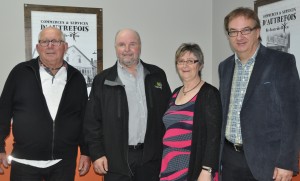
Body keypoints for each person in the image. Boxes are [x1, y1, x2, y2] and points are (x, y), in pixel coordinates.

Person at [218, 7, 300, 181]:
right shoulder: (224, 67)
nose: (239, 37)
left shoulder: (281, 62)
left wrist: (286, 161)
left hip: (267, 163)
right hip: (229, 158)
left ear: (258, 32)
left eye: (246, 30)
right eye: (233, 31)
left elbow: (292, 116)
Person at [0, 27, 91, 180]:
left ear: (65, 46)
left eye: (55, 41)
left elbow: (83, 119)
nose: (50, 46)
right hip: (24, 163)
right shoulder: (20, 73)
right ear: (37, 47)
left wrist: (86, 152)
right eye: (44, 42)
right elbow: (3, 111)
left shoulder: (77, 78)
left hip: (63, 163)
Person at [84, 28, 171, 181]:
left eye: (132, 44)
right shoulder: (103, 80)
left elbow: (168, 115)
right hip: (115, 162)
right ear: (116, 48)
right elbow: (92, 123)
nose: (127, 50)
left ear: (140, 46)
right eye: (122, 45)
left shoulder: (157, 75)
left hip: (150, 160)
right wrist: (97, 154)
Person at [159, 43, 221, 181]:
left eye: (190, 61)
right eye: (181, 61)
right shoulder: (175, 93)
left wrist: (207, 170)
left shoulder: (209, 94)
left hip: (194, 169)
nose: (185, 65)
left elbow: (214, 136)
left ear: (200, 65)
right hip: (168, 167)